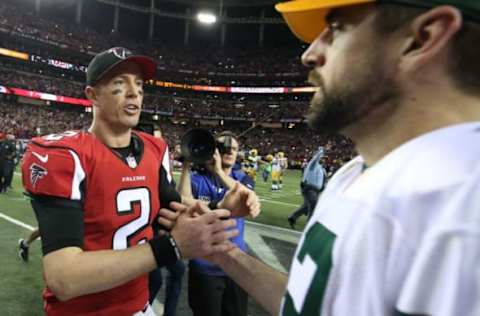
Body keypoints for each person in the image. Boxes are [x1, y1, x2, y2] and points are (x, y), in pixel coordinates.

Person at [164, 1, 480, 315]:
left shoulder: (463, 211)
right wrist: (221, 251)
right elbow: (312, 304)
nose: (310, 53)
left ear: (421, 38)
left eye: (337, 29)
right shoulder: (359, 171)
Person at [21, 47, 259, 316]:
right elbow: (63, 278)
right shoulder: (66, 156)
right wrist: (170, 247)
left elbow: (171, 212)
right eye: (120, 84)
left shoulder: (154, 149)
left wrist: (221, 208)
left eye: (139, 85)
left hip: (139, 305)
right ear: (93, 95)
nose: (135, 93)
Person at [177, 131, 258, 316]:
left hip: (236, 264)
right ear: (213, 150)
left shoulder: (242, 178)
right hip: (205, 266)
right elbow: (182, 201)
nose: (229, 151)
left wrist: (220, 172)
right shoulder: (198, 178)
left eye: (234, 149)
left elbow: (246, 196)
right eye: (224, 147)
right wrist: (187, 164)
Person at [287, 147, 326, 228]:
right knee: (313, 206)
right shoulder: (313, 165)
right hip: (310, 188)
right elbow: (315, 158)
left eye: (324, 158)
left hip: (316, 190)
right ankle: (309, 225)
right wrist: (321, 151)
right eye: (322, 158)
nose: (323, 159)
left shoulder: (321, 168)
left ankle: (292, 217)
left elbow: (322, 180)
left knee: (306, 206)